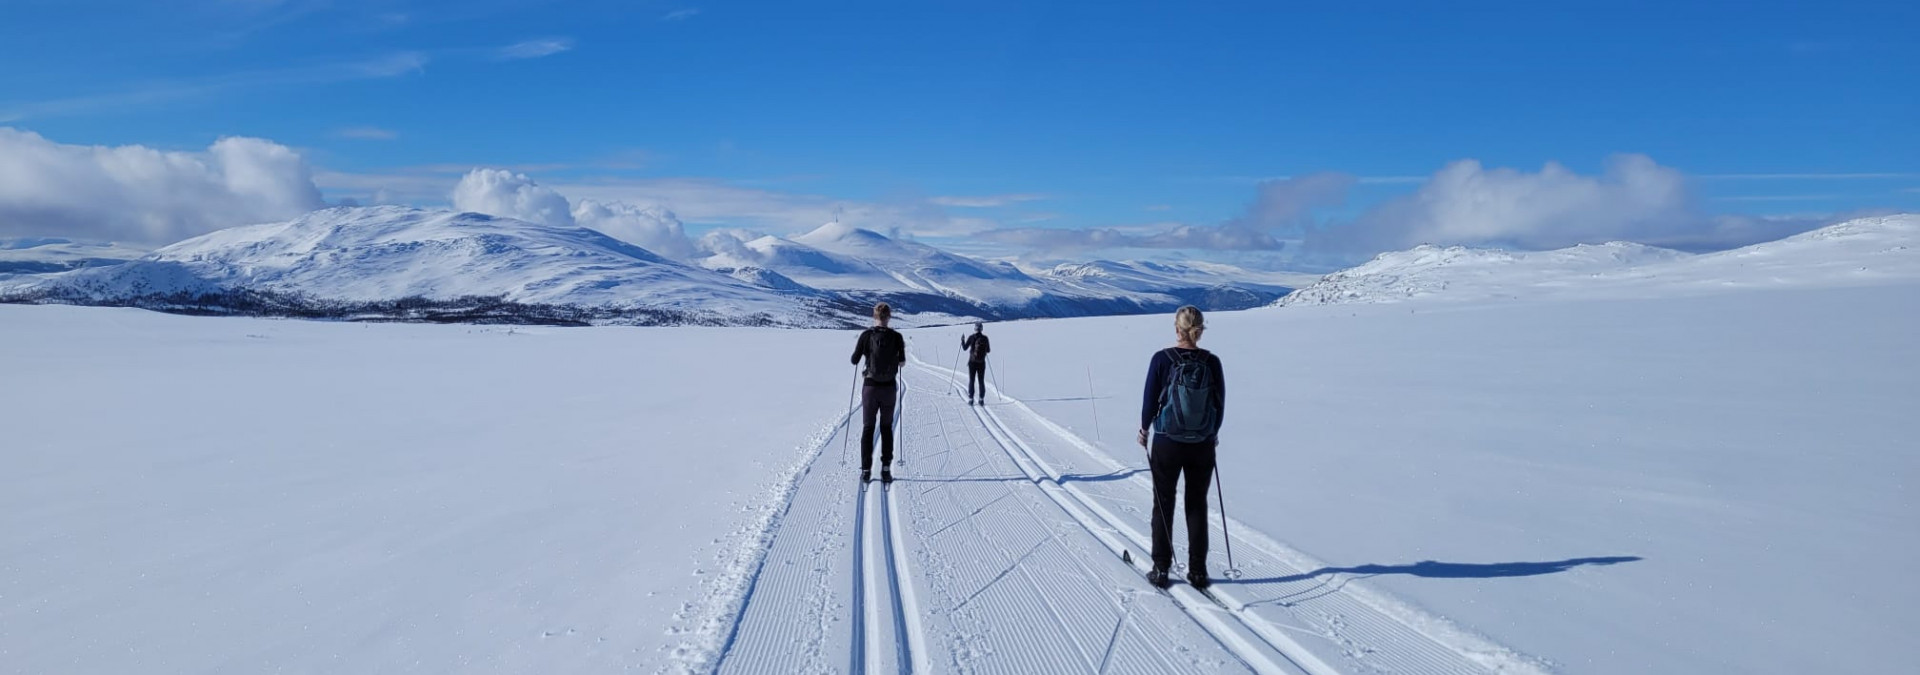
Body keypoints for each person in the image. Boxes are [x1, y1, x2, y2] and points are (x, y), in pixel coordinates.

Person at [1136, 305, 1225, 589]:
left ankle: (1161, 568)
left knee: (1163, 503)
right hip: (1202, 443)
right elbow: (1219, 403)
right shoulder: (1212, 362)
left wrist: (1144, 429)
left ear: (1177, 328)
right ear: (1199, 331)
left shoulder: (1162, 359)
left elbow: (1150, 400)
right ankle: (1198, 571)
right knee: (1196, 503)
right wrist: (1212, 432)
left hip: (1167, 441)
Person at [851, 302, 907, 483]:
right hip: (889, 388)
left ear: (874, 316)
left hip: (870, 388)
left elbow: (854, 360)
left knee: (868, 428)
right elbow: (902, 363)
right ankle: (885, 470)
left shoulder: (866, 335)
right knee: (886, 428)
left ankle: (866, 470)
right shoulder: (897, 337)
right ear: (889, 317)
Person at [960, 321, 991, 405]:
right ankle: (981, 399)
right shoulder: (985, 338)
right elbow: (988, 350)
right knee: (981, 381)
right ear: (981, 329)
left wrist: (962, 340)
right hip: (982, 363)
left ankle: (971, 399)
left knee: (972, 380)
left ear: (975, 328)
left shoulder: (971, 337)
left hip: (972, 362)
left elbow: (964, 348)